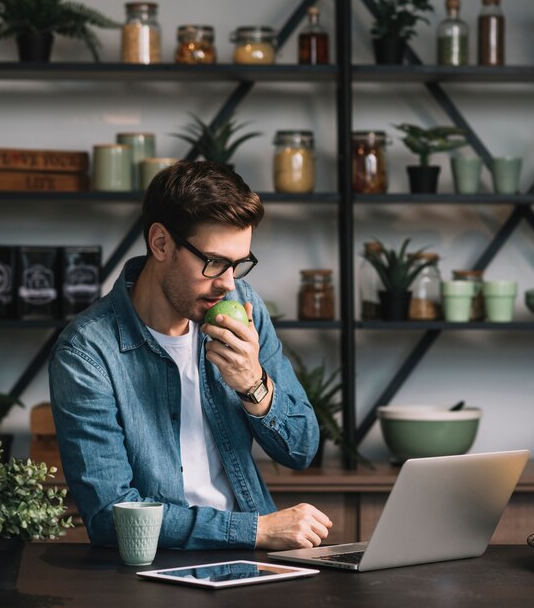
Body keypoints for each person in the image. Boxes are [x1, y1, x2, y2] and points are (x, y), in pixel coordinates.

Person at [49, 160, 332, 550]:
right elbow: (110, 515)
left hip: (254, 565)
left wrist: (253, 384)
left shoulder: (244, 308)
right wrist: (256, 531)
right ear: (161, 242)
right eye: (214, 262)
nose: (228, 283)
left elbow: (301, 451)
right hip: (156, 571)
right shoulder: (87, 353)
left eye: (238, 264)